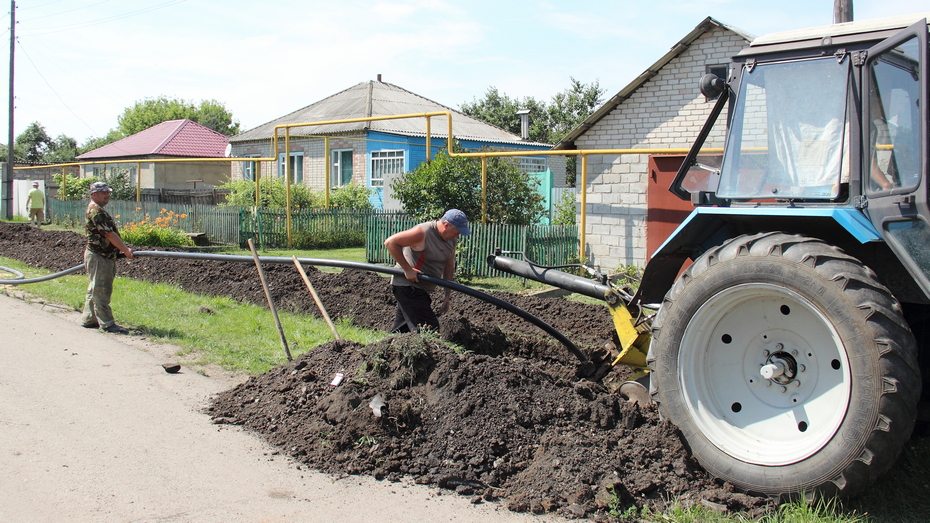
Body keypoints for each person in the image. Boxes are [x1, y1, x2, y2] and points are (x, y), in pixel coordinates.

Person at [384, 209, 471, 333]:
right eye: (457, 232)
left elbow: (449, 266)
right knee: (429, 329)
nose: (458, 236)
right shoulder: (423, 232)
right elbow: (390, 242)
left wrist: (447, 296)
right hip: (408, 287)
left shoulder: (451, 240)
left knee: (402, 331)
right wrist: (407, 269)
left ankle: (391, 350)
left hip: (422, 290)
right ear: (446, 225)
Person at [81, 181, 135, 334]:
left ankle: (89, 319)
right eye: (104, 193)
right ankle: (107, 323)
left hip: (101, 254)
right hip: (100, 256)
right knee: (101, 289)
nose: (107, 195)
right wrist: (125, 250)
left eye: (108, 192)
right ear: (94, 194)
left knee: (95, 288)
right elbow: (109, 234)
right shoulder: (96, 211)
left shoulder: (97, 209)